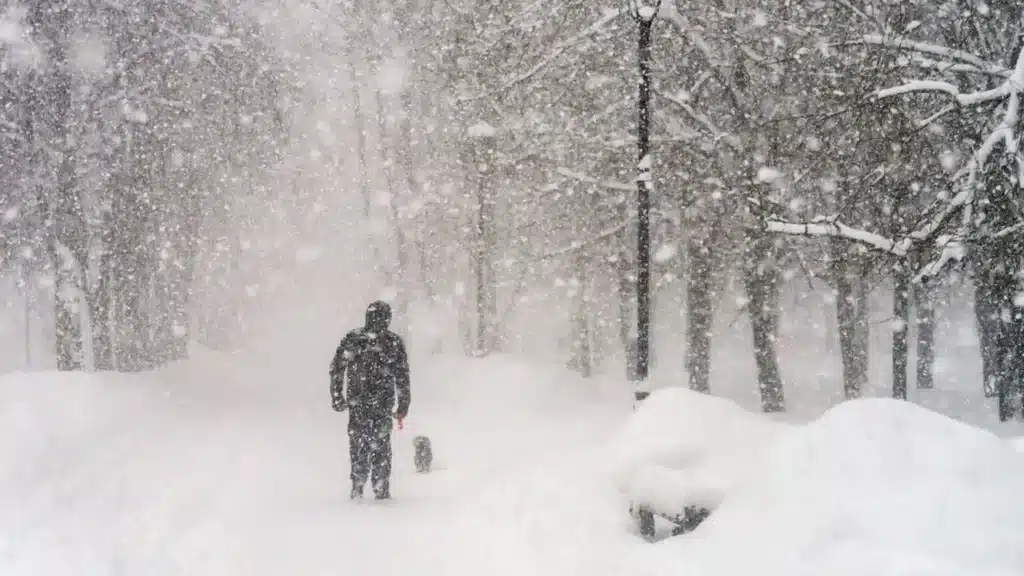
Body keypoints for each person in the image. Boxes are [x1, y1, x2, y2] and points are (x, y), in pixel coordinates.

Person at [329, 301, 410, 500]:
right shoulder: (392, 342)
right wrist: (403, 404)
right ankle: (379, 488)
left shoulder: (354, 339)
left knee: (359, 446)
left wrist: (337, 395)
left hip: (359, 403)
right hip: (381, 404)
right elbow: (402, 376)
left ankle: (358, 486)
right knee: (380, 447)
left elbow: (337, 368)